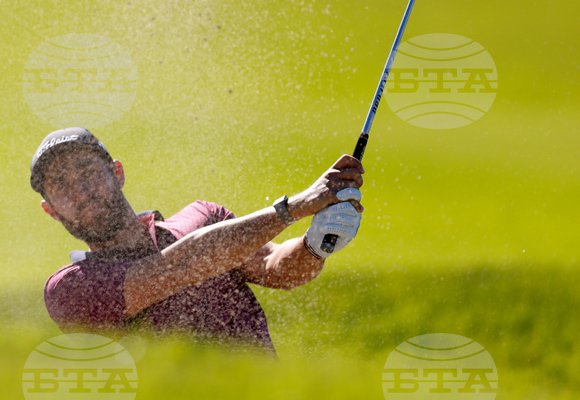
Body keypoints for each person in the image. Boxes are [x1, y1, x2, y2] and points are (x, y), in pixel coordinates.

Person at [30, 127, 365, 351]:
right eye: (61, 185)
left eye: (88, 173)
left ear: (117, 173)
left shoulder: (203, 218)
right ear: (50, 210)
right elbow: (177, 267)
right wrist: (294, 207)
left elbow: (276, 269)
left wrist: (316, 244)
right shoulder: (69, 289)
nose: (81, 192)